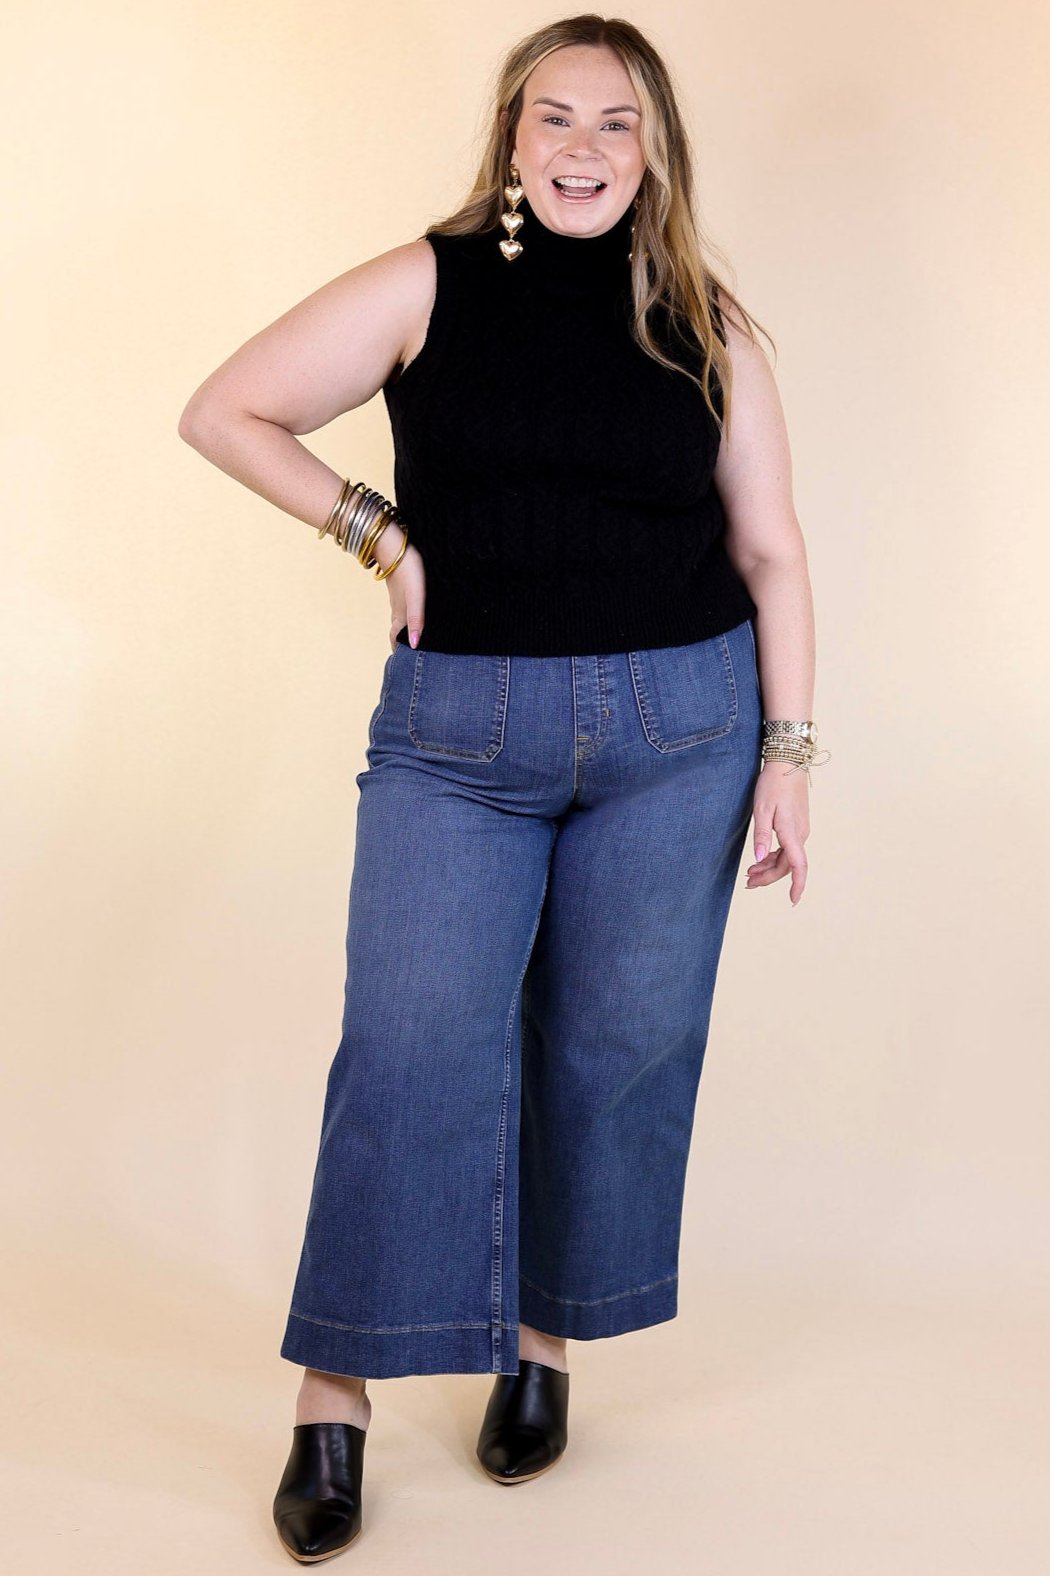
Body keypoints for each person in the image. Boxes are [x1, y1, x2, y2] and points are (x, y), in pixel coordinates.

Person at [179, 13, 829, 1564]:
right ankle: (331, 1401)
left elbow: (770, 551)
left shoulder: (706, 324)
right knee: (410, 1048)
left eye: (616, 123)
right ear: (511, 137)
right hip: (458, 739)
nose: (583, 148)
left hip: (679, 734)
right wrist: (376, 532)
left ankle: (538, 1348)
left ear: (654, 150)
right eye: (555, 118)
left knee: (611, 1049)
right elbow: (226, 409)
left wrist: (791, 754)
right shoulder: (428, 284)